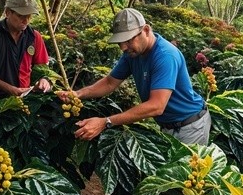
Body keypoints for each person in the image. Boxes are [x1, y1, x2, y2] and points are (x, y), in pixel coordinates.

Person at [62, 8, 210, 145]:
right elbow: (109, 83)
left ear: (146, 30)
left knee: (185, 173)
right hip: (167, 127)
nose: (123, 47)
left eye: (128, 40)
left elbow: (156, 106)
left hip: (190, 126)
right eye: (120, 42)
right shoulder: (132, 54)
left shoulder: (165, 56)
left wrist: (105, 122)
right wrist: (78, 94)